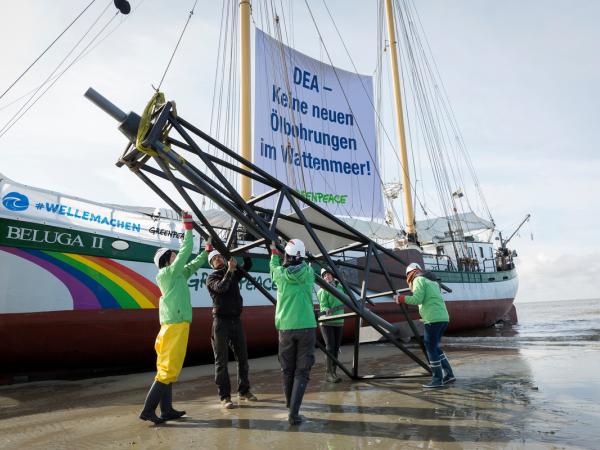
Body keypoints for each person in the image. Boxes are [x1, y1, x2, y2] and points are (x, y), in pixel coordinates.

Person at [139, 212, 211, 424]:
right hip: (175, 326)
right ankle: (148, 410)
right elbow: (186, 251)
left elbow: (193, 264)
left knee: (168, 369)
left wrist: (206, 252)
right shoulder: (168, 274)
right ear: (166, 260)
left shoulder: (176, 275)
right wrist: (188, 227)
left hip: (172, 325)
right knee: (167, 369)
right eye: (172, 255)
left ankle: (167, 409)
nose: (175, 256)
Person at [270, 239, 317, 425]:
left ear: (287, 255)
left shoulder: (280, 275)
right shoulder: (308, 272)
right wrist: (304, 258)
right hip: (306, 325)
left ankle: (290, 406)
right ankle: (294, 414)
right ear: (302, 256)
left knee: (287, 369)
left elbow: (274, 267)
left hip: (285, 328)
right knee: (302, 370)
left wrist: (274, 252)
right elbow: (305, 265)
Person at [206, 249, 257, 409]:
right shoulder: (211, 277)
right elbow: (221, 288)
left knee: (243, 357)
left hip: (236, 320)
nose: (218, 259)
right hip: (220, 322)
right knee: (221, 361)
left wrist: (245, 252)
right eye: (214, 258)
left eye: (219, 256)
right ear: (211, 264)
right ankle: (225, 396)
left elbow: (248, 265)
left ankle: (244, 391)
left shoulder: (233, 272)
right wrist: (230, 270)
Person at [395, 262, 455, 388]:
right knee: (436, 347)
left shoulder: (418, 279)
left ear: (409, 274)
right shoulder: (432, 281)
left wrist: (401, 298)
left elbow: (417, 299)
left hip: (433, 319)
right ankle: (449, 375)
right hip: (443, 317)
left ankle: (437, 380)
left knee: (430, 348)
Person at [317, 267, 345, 383]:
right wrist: (327, 309)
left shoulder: (340, 287)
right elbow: (323, 305)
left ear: (332, 276)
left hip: (339, 321)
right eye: (324, 276)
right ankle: (329, 374)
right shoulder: (322, 291)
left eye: (328, 275)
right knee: (330, 346)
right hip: (327, 322)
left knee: (336, 347)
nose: (326, 277)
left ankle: (334, 372)